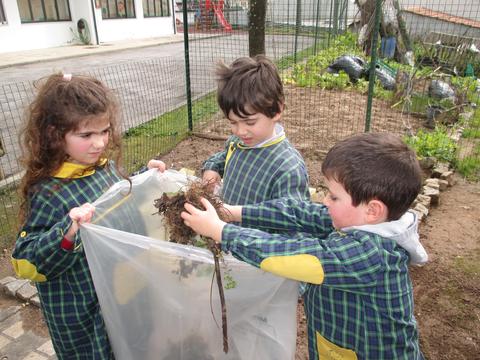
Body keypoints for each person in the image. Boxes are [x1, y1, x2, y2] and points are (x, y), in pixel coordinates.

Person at [182, 132, 428, 359]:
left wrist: (221, 231)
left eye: (333, 196)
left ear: (373, 209)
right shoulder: (358, 220)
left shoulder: (373, 255)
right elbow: (298, 213)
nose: (325, 201)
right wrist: (232, 212)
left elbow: (293, 255)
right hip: (337, 348)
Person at [11, 73, 165, 360]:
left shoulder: (102, 168)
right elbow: (25, 261)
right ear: (55, 135)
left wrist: (146, 178)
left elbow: (116, 198)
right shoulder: (49, 191)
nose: (99, 143)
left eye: (105, 131)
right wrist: (67, 231)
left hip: (121, 296)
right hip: (85, 315)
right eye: (86, 135)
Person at [202, 55, 310, 205]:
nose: (240, 131)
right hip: (223, 224)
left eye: (250, 122)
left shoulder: (288, 169)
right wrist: (211, 169)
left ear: (277, 110)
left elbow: (292, 219)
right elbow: (223, 157)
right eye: (233, 122)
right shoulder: (237, 142)